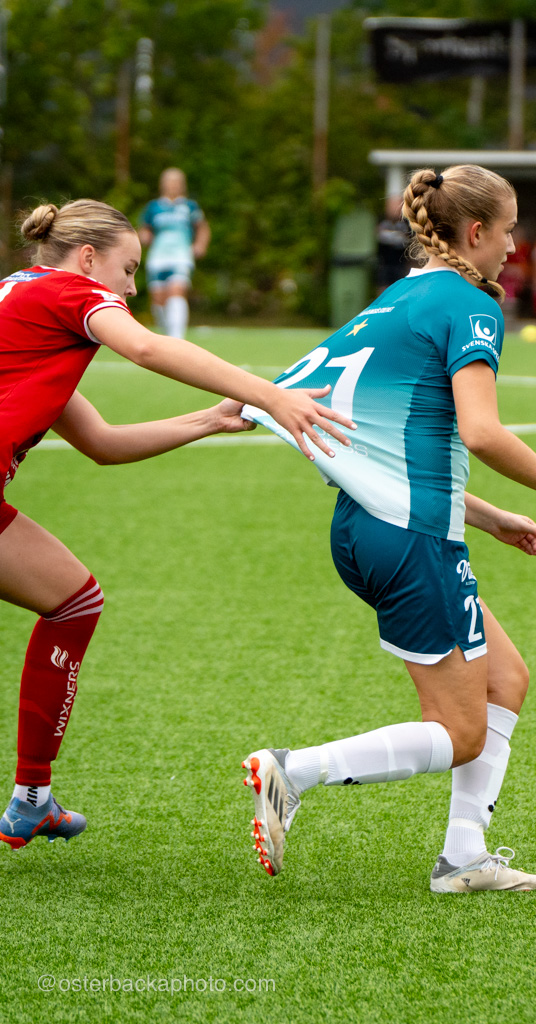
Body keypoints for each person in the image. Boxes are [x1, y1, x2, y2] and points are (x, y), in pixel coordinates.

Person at [241, 165, 536, 893]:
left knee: (506, 679)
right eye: (508, 231)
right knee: (459, 731)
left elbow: (393, 445)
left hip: (367, 524)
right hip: (409, 535)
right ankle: (294, 770)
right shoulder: (469, 304)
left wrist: (488, 514)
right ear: (475, 232)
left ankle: (464, 857)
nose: (514, 246)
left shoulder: (397, 297)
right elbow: (480, 432)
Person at [0, 199, 354, 851]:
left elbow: (102, 443)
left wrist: (210, 419)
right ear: (88, 259)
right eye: (128, 270)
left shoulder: (26, 306)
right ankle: (31, 795)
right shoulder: (69, 292)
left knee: (74, 601)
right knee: (74, 602)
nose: (134, 289)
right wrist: (272, 395)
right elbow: (145, 346)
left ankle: (32, 798)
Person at [138, 168, 209, 339]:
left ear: (183, 185)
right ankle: (167, 334)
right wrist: (144, 237)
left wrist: (200, 245)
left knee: (177, 290)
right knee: (158, 299)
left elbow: (202, 227)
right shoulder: (154, 207)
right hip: (158, 257)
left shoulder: (189, 206)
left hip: (181, 256)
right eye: (170, 182)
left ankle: (177, 338)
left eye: (177, 182)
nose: (173, 185)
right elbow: (144, 229)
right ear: (162, 185)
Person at [375, 196, 413, 294]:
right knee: (383, 290)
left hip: (400, 264)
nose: (394, 209)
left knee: (400, 289)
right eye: (392, 206)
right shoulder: (382, 221)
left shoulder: (407, 223)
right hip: (385, 264)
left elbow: (407, 240)